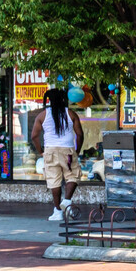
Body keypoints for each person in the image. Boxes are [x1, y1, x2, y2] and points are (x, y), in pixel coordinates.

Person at [29, 87, 87, 223]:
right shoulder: (71, 114)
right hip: (68, 150)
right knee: (72, 176)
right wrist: (77, 151)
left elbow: (34, 136)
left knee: (53, 180)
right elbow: (80, 134)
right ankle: (66, 201)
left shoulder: (42, 115)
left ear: (49, 100)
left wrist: (40, 151)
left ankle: (57, 212)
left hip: (50, 150)